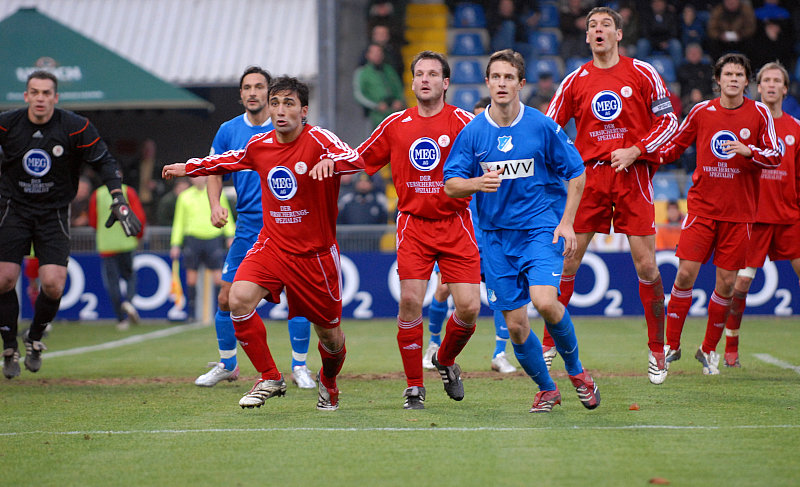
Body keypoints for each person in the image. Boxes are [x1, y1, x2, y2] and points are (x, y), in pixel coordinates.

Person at [162, 76, 364, 411]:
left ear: (304, 110)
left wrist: (334, 162)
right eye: (275, 103)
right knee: (236, 298)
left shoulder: (320, 140)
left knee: (330, 337)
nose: (280, 110)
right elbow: (228, 160)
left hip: (315, 255)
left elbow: (356, 158)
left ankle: (328, 381)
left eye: (288, 103)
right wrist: (191, 167)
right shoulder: (261, 145)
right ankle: (269, 375)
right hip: (272, 245)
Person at [443, 49, 599, 413]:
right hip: (496, 239)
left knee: (545, 302)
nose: (501, 83)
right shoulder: (474, 132)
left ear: (520, 84)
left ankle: (577, 373)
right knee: (515, 327)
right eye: (495, 77)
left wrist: (566, 222)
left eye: (508, 77)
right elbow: (451, 184)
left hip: (540, 229)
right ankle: (547, 389)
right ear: (487, 82)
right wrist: (476, 183)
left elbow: (577, 171)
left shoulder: (542, 126)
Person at [545, 6, 679, 385]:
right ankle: (547, 344)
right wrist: (566, 162)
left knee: (647, 267)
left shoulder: (642, 72)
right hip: (590, 180)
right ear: (586, 37)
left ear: (619, 34)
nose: (599, 30)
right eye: (592, 26)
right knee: (568, 262)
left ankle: (657, 349)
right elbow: (548, 129)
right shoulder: (574, 81)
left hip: (632, 175)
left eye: (606, 25)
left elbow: (669, 120)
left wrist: (636, 149)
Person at [357, 51, 482, 410]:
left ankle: (444, 359)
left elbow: (489, 161)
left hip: (456, 223)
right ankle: (414, 386)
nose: (425, 79)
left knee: (469, 309)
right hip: (413, 224)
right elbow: (360, 159)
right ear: (412, 82)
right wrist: (324, 162)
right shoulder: (395, 124)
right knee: (410, 301)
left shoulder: (464, 123)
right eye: (419, 74)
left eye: (433, 74)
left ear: (445, 83)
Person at [1, 71, 141, 379]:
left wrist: (118, 197)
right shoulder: (8, 124)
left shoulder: (75, 126)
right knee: (4, 279)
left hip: (53, 213)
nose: (40, 98)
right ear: (25, 96)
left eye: (46, 93)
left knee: (53, 284)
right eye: (34, 92)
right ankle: (9, 345)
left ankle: (35, 339)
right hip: (14, 209)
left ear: (55, 97)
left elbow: (104, 161)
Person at [194, 66, 317, 391]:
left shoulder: (289, 129)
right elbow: (215, 170)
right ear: (240, 94)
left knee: (299, 296)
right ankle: (228, 363)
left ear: (269, 94)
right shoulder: (228, 130)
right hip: (249, 223)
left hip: (289, 222)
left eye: (258, 87)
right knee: (226, 296)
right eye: (246, 87)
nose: (252, 92)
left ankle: (300, 366)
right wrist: (216, 204)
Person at [658, 53, 781, 376]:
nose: (733, 79)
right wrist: (646, 157)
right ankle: (672, 344)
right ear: (718, 79)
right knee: (685, 274)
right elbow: (674, 146)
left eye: (740, 74)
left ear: (747, 81)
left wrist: (748, 151)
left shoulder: (759, 114)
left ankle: (709, 349)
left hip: (739, 214)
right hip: (702, 210)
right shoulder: (701, 111)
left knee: (726, 283)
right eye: (728, 74)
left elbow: (776, 155)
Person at [422, 94, 517, 375]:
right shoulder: (460, 156)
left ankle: (500, 353)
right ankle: (434, 345)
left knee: (501, 291)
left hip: (494, 234)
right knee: (442, 288)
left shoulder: (500, 157)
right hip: (460, 233)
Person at [723, 61, 800, 368]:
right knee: (740, 286)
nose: (769, 84)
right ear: (758, 87)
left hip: (789, 217)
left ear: (784, 89)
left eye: (775, 80)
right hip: (754, 218)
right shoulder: (749, 123)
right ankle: (731, 347)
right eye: (765, 80)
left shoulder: (795, 129)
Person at [169, 175, 235, 321]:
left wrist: (230, 235)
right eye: (195, 177)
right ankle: (191, 313)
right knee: (191, 279)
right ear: (191, 179)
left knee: (218, 278)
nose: (198, 179)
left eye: (201, 176)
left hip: (213, 238)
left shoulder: (217, 194)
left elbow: (226, 214)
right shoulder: (184, 197)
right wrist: (175, 243)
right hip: (193, 239)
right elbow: (179, 221)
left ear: (206, 178)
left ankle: (220, 312)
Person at [89, 183, 147, 330]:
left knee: (112, 282)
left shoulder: (98, 194)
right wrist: (138, 235)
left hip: (106, 245)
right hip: (126, 242)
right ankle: (128, 301)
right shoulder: (128, 191)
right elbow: (139, 216)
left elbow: (93, 220)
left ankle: (121, 319)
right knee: (129, 276)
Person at [353, 43, 406, 128]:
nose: (377, 55)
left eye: (379, 53)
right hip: (375, 115)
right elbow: (359, 95)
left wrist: (399, 100)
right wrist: (375, 106)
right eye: (374, 53)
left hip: (393, 112)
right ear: (368, 55)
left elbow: (398, 87)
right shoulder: (362, 73)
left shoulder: (389, 70)